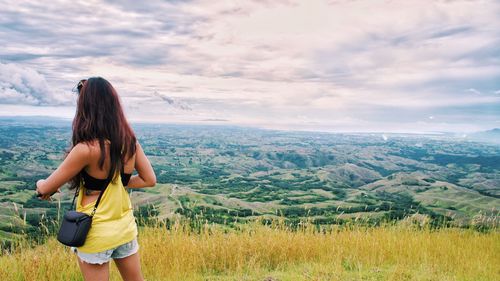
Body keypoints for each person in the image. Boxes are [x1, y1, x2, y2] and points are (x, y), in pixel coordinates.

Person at [35, 77, 156, 281]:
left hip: (96, 232)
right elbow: (149, 180)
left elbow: (45, 188)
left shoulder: (85, 150)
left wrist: (40, 185)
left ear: (85, 108)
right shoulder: (130, 143)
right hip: (124, 228)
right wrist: (119, 184)